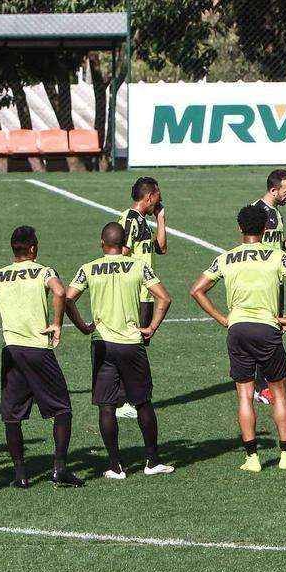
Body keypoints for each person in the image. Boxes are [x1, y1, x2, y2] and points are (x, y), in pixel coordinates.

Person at [190, 204, 286, 473]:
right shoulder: (276, 255)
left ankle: (252, 458)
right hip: (267, 328)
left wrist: (223, 319)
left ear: (240, 228)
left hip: (238, 329)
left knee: (245, 394)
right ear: (266, 229)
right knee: (279, 393)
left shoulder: (226, 258)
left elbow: (197, 290)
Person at [65, 222, 174, 479]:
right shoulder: (138, 265)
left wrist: (83, 326)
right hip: (132, 343)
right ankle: (152, 461)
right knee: (143, 402)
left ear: (102, 243)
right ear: (124, 244)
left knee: (106, 405)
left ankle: (116, 466)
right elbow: (164, 298)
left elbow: (67, 298)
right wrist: (152, 327)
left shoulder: (88, 268)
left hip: (102, 343)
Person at [0, 226, 84, 489]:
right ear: (32, 248)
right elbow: (59, 292)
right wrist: (56, 323)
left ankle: (20, 474)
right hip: (37, 349)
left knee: (12, 414)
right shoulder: (44, 271)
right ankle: (60, 469)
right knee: (62, 408)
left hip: (11, 350)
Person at [116, 177, 169, 421]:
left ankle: (128, 397)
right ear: (149, 197)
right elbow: (121, 254)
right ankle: (122, 400)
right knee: (131, 347)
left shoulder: (143, 221)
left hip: (145, 294)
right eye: (158, 196)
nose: (160, 199)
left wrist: (160, 219)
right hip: (135, 294)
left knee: (139, 345)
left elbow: (161, 248)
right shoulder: (129, 218)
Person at [248, 169, 286, 405]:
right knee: (264, 335)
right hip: (260, 285)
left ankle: (262, 384)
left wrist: (285, 243)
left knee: (273, 333)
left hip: (275, 283)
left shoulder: (276, 213)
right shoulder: (256, 212)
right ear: (273, 190)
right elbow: (250, 248)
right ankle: (260, 386)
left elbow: (272, 250)